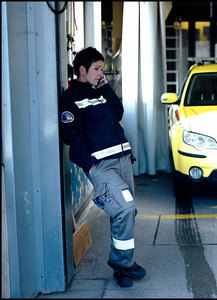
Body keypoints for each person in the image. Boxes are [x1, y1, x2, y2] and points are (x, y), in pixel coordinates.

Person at [60, 46, 146, 287]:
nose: (100, 72)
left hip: (123, 161)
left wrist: (105, 87)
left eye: (101, 68)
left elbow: (117, 113)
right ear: (82, 70)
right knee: (125, 209)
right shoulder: (71, 98)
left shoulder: (98, 91)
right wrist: (91, 167)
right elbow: (72, 139)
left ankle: (122, 267)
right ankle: (122, 264)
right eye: (96, 69)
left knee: (124, 214)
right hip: (102, 166)